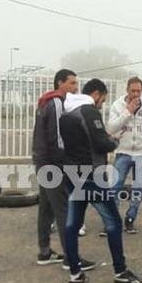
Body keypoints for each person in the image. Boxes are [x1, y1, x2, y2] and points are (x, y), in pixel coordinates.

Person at [60, 78, 142, 283]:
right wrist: (114, 141)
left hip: (72, 174)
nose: (102, 104)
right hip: (92, 176)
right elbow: (100, 143)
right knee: (114, 222)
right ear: (96, 94)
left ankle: (75, 273)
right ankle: (120, 271)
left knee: (72, 224)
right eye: (102, 100)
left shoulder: (66, 113)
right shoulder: (88, 111)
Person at [32, 69, 95, 272]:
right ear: (60, 83)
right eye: (72, 83)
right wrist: (65, 162)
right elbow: (58, 137)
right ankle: (70, 258)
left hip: (42, 161)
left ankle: (45, 252)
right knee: (64, 210)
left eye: (76, 83)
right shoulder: (57, 103)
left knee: (46, 208)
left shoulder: (44, 102)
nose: (75, 88)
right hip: (54, 164)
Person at [105, 76, 142, 235]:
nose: (136, 94)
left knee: (138, 188)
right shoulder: (117, 105)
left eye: (139, 91)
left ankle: (130, 219)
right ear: (127, 90)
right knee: (115, 186)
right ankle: (112, 221)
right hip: (123, 152)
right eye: (133, 90)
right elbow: (111, 128)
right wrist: (128, 111)